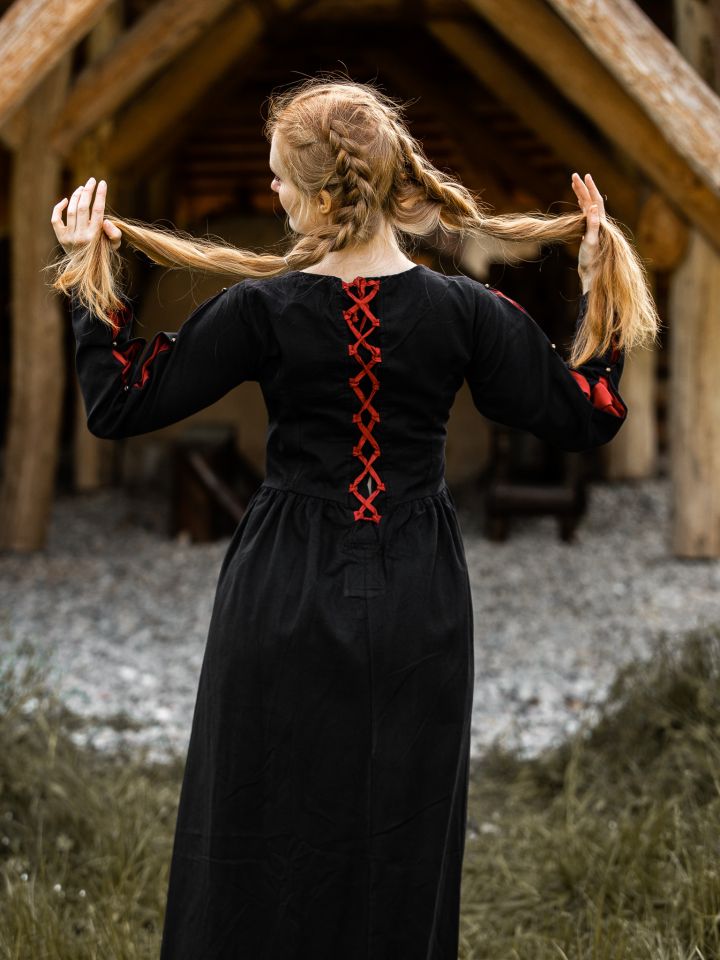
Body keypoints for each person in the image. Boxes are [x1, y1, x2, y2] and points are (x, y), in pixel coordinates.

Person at [50, 76, 658, 960]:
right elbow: (588, 414)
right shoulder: (466, 312)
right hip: (419, 599)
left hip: (280, 596)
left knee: (259, 832)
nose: (271, 192)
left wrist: (90, 278)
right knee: (398, 843)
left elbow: (121, 401)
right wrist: (599, 299)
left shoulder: (263, 310)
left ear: (318, 194)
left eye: (278, 178)